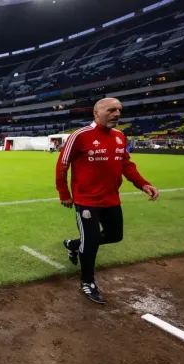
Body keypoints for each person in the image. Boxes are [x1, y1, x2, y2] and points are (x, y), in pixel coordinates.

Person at [56, 97, 160, 304]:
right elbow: (62, 166)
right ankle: (87, 282)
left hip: (111, 198)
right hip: (86, 199)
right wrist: (64, 194)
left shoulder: (120, 136)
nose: (117, 114)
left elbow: (126, 164)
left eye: (119, 110)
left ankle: (74, 245)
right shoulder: (79, 136)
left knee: (115, 235)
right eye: (111, 110)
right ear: (97, 113)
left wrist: (142, 184)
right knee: (92, 240)